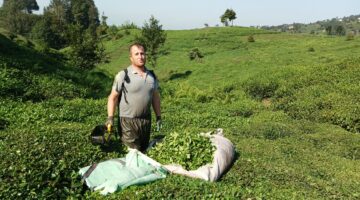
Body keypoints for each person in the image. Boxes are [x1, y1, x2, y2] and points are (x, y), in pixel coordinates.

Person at [106, 43, 162, 152]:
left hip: (145, 121)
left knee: (143, 151)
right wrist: (110, 118)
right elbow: (112, 97)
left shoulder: (152, 76)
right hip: (127, 122)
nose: (140, 56)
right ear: (131, 58)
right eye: (136, 54)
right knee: (132, 153)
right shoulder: (123, 75)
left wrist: (158, 116)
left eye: (142, 53)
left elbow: (155, 97)